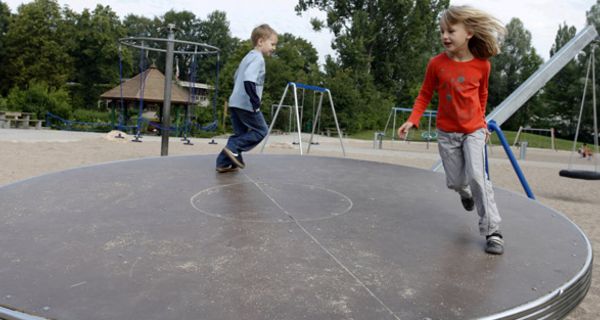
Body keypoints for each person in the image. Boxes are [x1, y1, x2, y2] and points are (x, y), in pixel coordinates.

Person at [397, 5, 506, 255]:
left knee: (478, 176)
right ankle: (464, 192)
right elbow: (424, 95)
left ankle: (493, 231)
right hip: (447, 132)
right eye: (442, 31)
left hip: (473, 131)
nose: (445, 36)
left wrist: (481, 121)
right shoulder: (436, 64)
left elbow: (482, 94)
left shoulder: (482, 66)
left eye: (450, 31)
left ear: (468, 32)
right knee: (456, 181)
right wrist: (413, 120)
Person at [216, 24, 278, 173]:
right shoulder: (258, 59)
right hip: (246, 104)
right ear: (260, 41)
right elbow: (249, 80)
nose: (274, 48)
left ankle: (223, 163)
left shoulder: (247, 57)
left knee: (241, 135)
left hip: (235, 102)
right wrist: (255, 101)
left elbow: (236, 76)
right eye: (272, 44)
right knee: (261, 131)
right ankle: (233, 148)